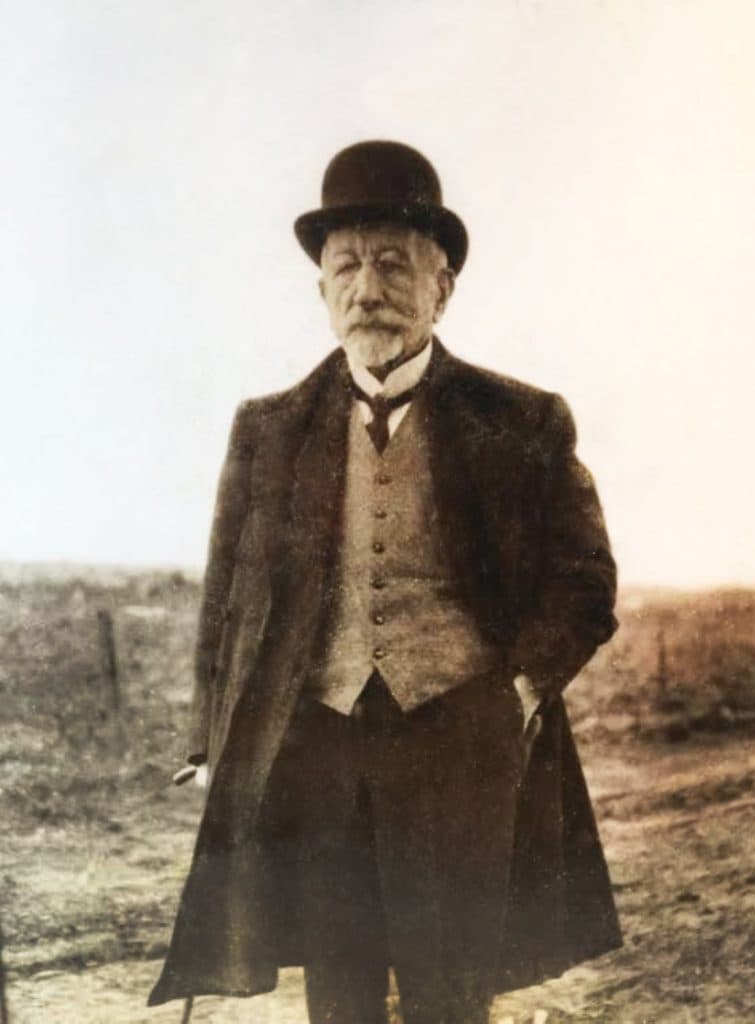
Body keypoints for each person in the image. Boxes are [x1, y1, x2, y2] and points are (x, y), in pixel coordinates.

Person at [149, 140, 621, 1023]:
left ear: (443, 287)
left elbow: (583, 582)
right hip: (316, 748)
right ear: (321, 290)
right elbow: (229, 597)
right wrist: (208, 738)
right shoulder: (268, 428)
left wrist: (517, 693)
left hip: (460, 747)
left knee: (451, 991)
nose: (367, 288)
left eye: (394, 264)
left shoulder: (521, 420)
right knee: (339, 991)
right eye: (347, 266)